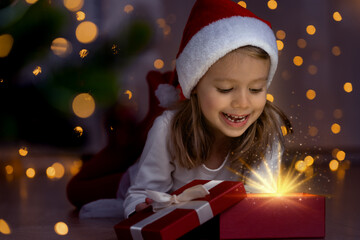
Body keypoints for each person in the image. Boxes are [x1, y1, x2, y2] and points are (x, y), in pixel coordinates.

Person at [75, 0, 292, 219]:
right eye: (226, 89)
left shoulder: (265, 132)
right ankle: (130, 143)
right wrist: (139, 208)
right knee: (77, 190)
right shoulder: (167, 129)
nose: (243, 103)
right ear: (195, 85)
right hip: (139, 176)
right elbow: (141, 193)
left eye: (255, 89)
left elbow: (258, 202)